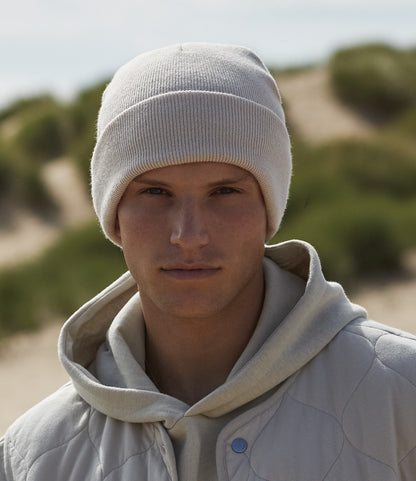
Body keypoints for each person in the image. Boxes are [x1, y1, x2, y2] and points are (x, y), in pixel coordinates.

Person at [1, 42, 416, 481]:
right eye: (155, 192)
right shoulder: (32, 457)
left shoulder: (402, 396)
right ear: (113, 216)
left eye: (224, 192)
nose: (189, 235)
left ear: (268, 210)